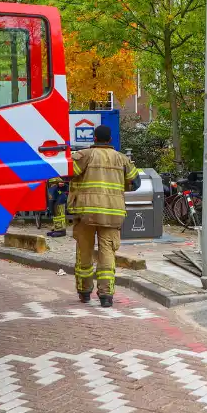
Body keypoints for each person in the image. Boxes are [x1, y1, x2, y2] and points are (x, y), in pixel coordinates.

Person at [67, 125, 141, 307]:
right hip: (112, 214)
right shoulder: (122, 159)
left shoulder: (84, 155)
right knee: (107, 253)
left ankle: (84, 292)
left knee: (84, 252)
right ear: (110, 140)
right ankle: (106, 296)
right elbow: (136, 183)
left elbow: (66, 174)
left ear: (94, 138)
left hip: (86, 213)